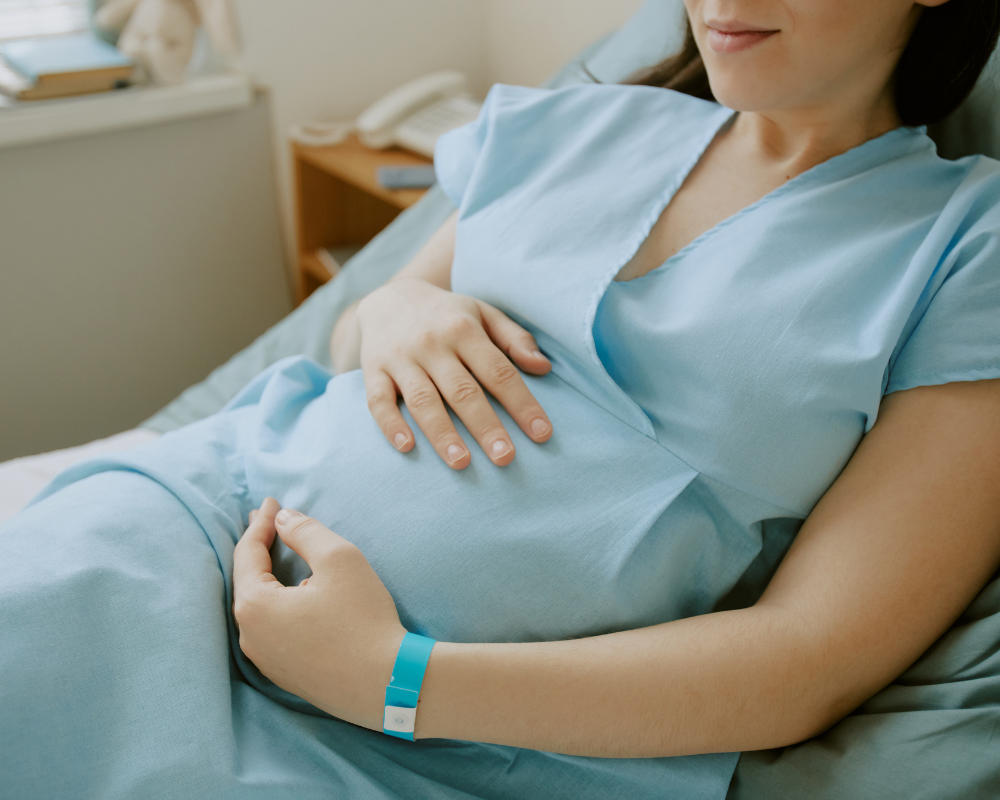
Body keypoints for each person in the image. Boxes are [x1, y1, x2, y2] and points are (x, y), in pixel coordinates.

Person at [2, 1, 999, 798]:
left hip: (441, 742)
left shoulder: (960, 246)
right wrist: (391, 305)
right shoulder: (570, 121)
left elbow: (810, 653)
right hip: (197, 527)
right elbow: (355, 340)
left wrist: (392, 677)